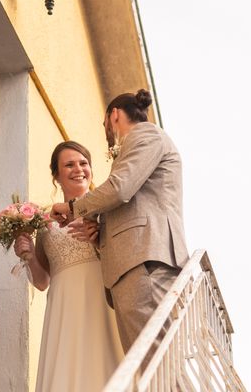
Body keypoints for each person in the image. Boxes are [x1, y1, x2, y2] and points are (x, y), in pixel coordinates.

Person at [51, 89, 189, 352]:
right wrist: (100, 230)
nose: (106, 133)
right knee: (150, 367)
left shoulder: (145, 135)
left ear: (114, 115)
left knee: (156, 366)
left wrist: (73, 207)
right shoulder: (141, 142)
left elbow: (120, 189)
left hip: (144, 262)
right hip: (135, 264)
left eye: (104, 125)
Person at [14, 141, 124, 392]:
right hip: (63, 308)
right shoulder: (43, 223)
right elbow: (42, 282)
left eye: (84, 163)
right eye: (69, 164)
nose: (79, 169)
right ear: (56, 175)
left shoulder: (106, 211)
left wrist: (99, 238)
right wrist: (28, 255)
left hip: (101, 300)